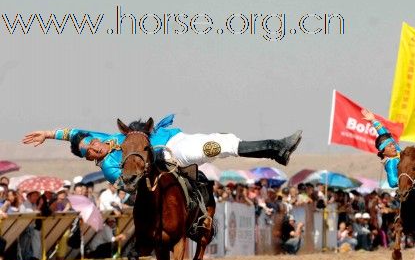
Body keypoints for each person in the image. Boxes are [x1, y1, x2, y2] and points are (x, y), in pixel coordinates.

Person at [22, 114, 302, 185]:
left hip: (172, 136)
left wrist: (48, 134)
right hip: (171, 157)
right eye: (89, 151)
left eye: (91, 142)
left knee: (224, 138)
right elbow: (125, 184)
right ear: (90, 159)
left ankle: (278, 151)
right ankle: (277, 148)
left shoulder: (97, 137)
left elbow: (72, 133)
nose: (94, 146)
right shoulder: (110, 165)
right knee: (218, 146)